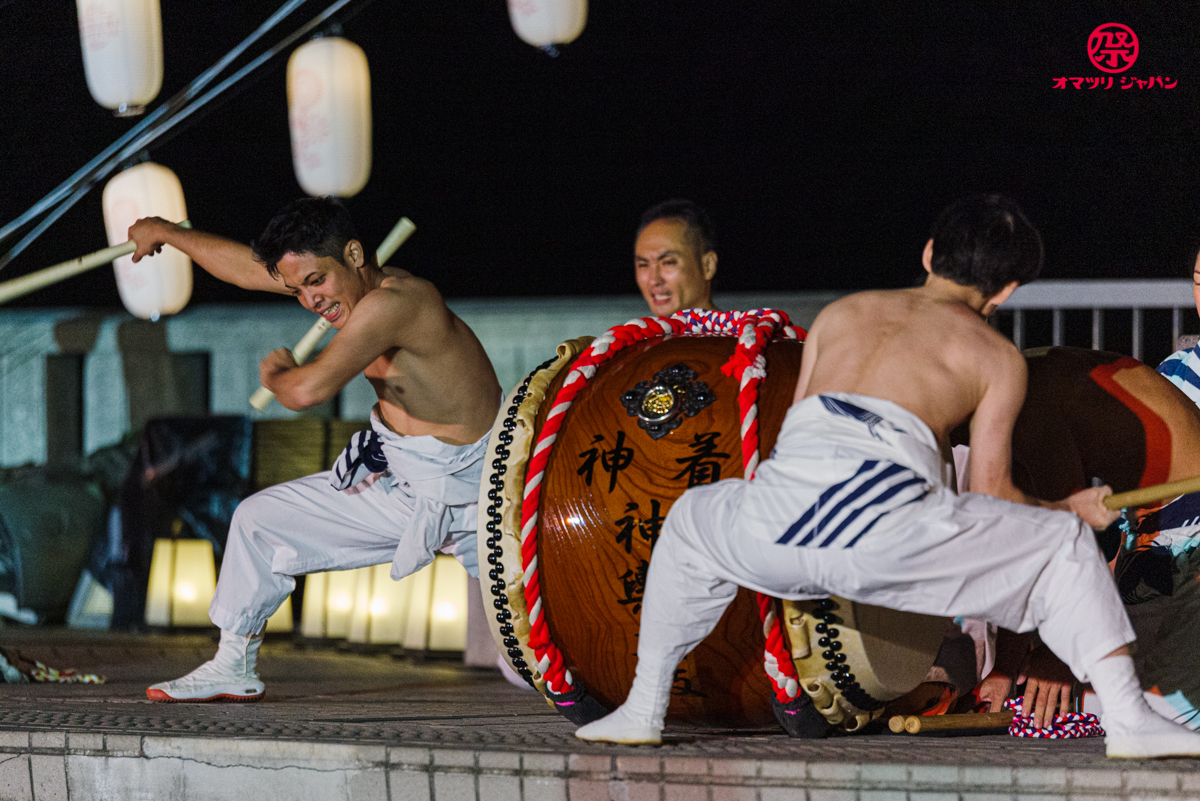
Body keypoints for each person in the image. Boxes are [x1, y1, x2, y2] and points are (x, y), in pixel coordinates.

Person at [575, 194, 1200, 758]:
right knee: (1061, 545)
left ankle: (641, 708)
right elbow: (993, 494)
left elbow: (793, 441)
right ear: (1007, 290)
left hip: (775, 530)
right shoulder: (994, 355)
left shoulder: (840, 314)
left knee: (691, 519)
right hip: (890, 538)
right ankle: (1130, 721)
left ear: (928, 254)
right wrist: (1072, 510)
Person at [127, 197, 501, 702]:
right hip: (411, 489)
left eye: (316, 282)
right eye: (297, 289)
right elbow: (246, 270)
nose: (310, 301)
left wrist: (279, 374)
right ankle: (232, 665)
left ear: (354, 254)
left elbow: (307, 391)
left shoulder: (396, 303)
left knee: (537, 664)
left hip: (484, 500)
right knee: (258, 521)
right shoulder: (353, 292)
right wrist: (168, 232)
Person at [634, 199, 718, 317]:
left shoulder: (741, 328)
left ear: (708, 266)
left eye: (668, 262)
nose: (654, 280)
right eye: (643, 265)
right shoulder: (627, 328)